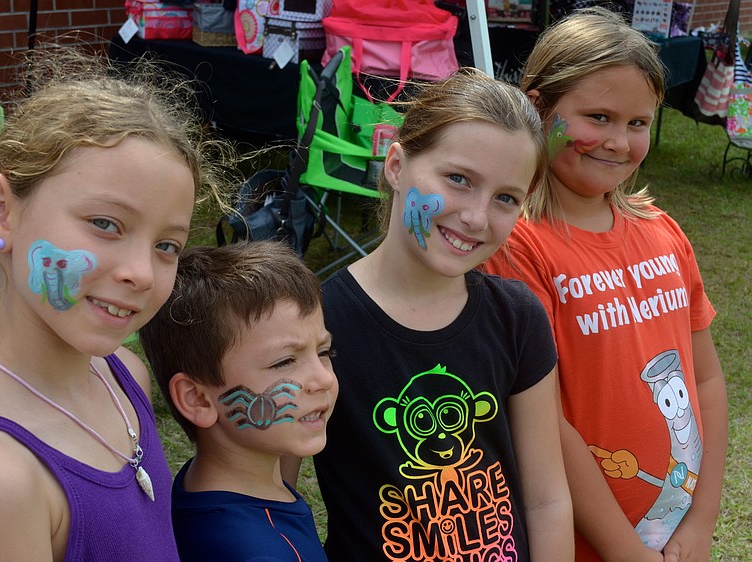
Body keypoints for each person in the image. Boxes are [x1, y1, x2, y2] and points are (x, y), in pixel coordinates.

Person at [0, 46, 223, 561]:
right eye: (105, 224)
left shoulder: (122, 375)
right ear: (0, 212)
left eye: (167, 245)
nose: (141, 273)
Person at [283, 68, 574, 561]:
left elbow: (547, 499)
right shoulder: (315, 325)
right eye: (458, 179)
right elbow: (278, 499)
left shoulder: (518, 318)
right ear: (396, 166)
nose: (477, 217)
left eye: (505, 198)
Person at [485, 8, 728, 562]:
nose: (618, 142)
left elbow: (707, 380)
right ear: (539, 105)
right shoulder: (518, 245)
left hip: (675, 532)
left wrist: (703, 520)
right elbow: (542, 419)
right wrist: (626, 550)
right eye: (598, 116)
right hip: (578, 542)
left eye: (638, 123)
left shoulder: (663, 233)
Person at [138, 241, 337, 562]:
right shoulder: (262, 552)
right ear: (198, 399)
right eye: (284, 362)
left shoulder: (207, 487)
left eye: (324, 352)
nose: (324, 379)